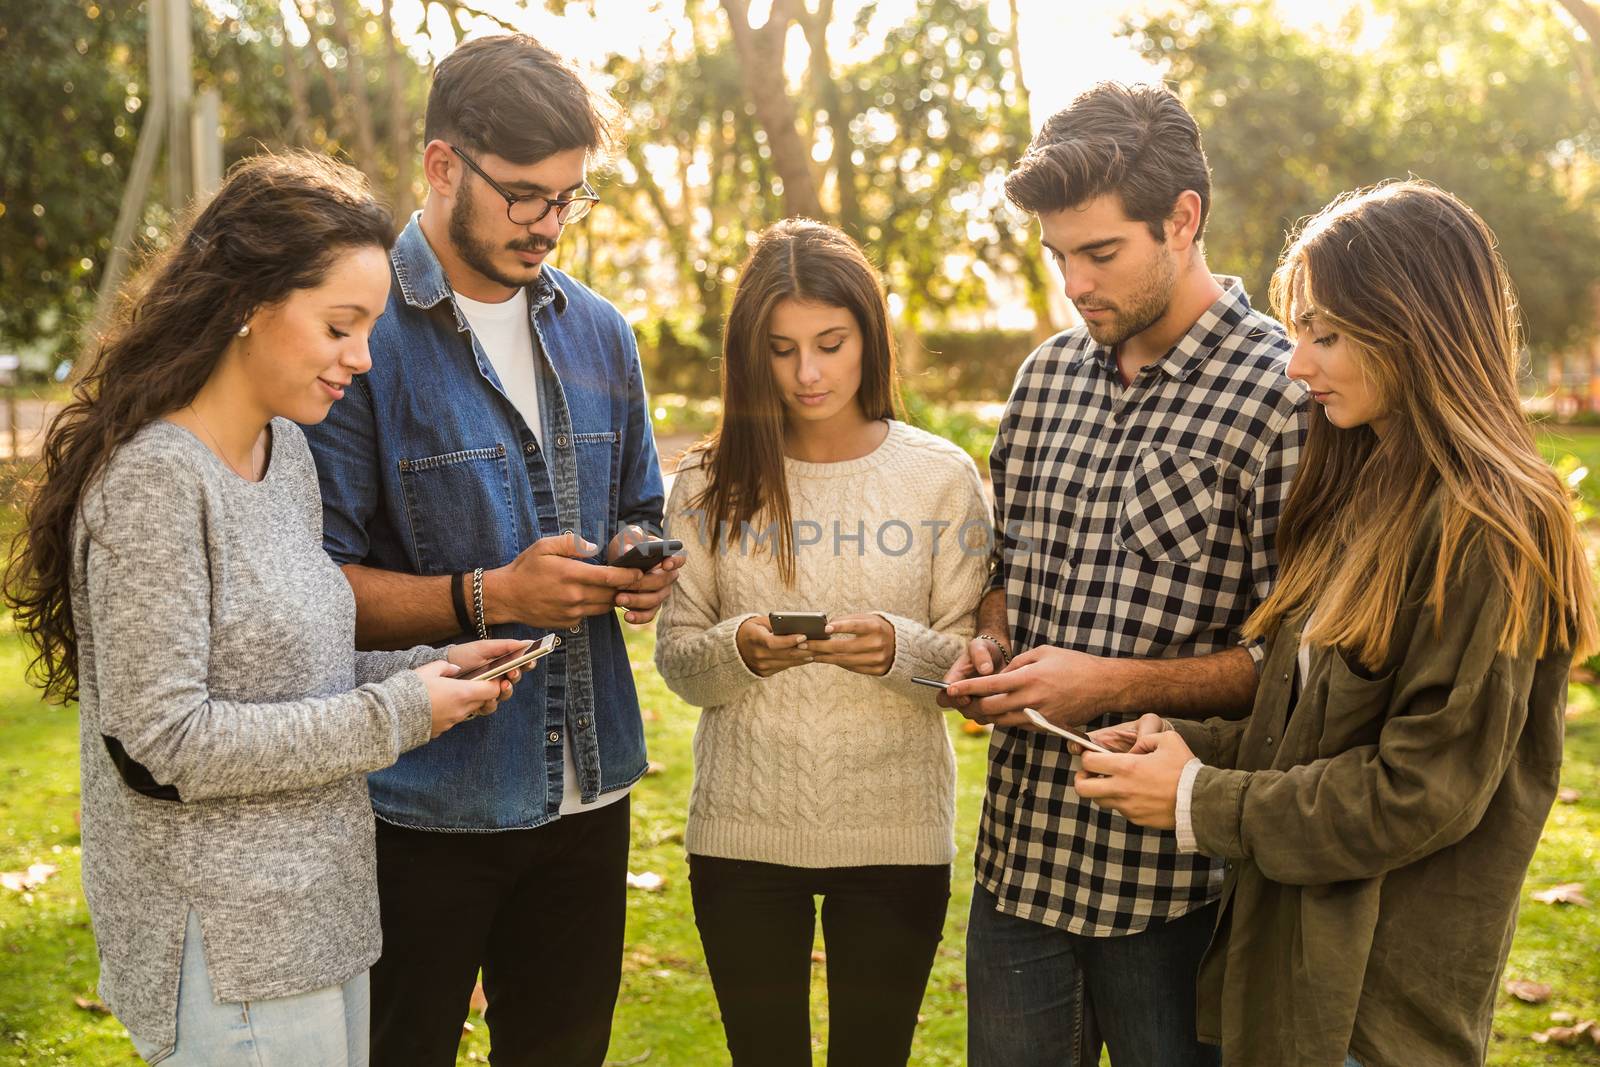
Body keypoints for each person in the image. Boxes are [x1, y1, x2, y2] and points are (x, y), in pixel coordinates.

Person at [1, 152, 527, 1065]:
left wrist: (432, 670)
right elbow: (162, 741)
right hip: (228, 953)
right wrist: (399, 712)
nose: (360, 360)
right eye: (340, 326)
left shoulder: (286, 454)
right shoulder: (157, 485)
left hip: (324, 919)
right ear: (249, 301)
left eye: (368, 329)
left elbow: (298, 667)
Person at [1073, 180, 1596, 1067]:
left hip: (1375, 1012)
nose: (1296, 364)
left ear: (1415, 327)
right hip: (1289, 986)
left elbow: (1419, 791)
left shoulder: (1492, 525)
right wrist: (1189, 744)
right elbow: (1314, 729)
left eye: (1328, 335)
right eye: (1299, 333)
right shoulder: (1364, 487)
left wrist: (1201, 800)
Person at [299, 35, 680, 1066]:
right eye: (523, 195)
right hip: (422, 802)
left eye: (569, 196)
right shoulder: (355, 336)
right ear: (440, 166)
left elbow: (639, 501)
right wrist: (490, 593)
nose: (549, 223)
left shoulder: (603, 332)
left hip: (592, 789)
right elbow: (311, 589)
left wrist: (640, 556)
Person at [936, 82, 1308, 1066]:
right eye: (1059, 256)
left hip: (1178, 884)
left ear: (1182, 219)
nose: (1074, 282)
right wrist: (993, 641)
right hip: (1019, 866)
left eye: (1099, 253)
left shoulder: (1286, 398)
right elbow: (1004, 571)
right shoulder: (1043, 377)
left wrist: (1107, 683)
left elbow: (1297, 665)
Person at [653, 218, 989, 1066]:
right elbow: (679, 658)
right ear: (749, 354)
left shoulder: (940, 475)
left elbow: (971, 666)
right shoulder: (705, 480)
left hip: (896, 832)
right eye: (782, 348)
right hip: (740, 831)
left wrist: (897, 651)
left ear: (868, 338)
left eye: (831, 344)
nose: (808, 373)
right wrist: (739, 649)